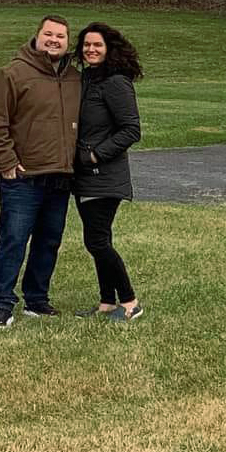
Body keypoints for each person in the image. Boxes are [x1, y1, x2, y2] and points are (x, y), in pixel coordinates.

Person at [0, 14, 81, 328]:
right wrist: (7, 162)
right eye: (49, 34)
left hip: (60, 177)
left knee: (49, 241)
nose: (54, 40)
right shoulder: (12, 74)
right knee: (13, 239)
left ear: (67, 43)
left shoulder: (75, 79)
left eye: (61, 36)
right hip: (23, 178)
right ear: (37, 37)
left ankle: (36, 300)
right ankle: (3, 304)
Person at [71, 21, 144, 322]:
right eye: (87, 45)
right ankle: (106, 302)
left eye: (97, 45)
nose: (91, 49)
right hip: (85, 176)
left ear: (109, 48)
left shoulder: (115, 82)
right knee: (99, 239)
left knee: (97, 241)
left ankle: (130, 302)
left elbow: (131, 130)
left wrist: (94, 155)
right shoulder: (88, 80)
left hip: (104, 176)